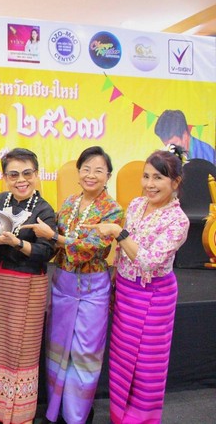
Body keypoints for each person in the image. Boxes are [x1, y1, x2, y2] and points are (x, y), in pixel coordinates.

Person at [83, 146, 189, 424]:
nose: (149, 184)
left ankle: (142, 419)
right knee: (121, 358)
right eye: (146, 176)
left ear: (175, 182)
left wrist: (118, 232)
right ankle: (119, 415)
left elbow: (148, 261)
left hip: (154, 296)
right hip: (126, 292)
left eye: (158, 178)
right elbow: (121, 253)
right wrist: (114, 280)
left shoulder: (178, 221)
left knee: (147, 364)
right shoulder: (136, 204)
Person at [24, 146, 124, 424]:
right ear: (78, 172)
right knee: (57, 352)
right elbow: (54, 245)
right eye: (86, 169)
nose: (91, 175)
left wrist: (54, 238)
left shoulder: (113, 210)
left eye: (98, 170)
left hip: (93, 290)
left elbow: (90, 248)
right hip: (62, 285)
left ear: (108, 176)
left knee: (84, 355)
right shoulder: (68, 203)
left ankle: (77, 415)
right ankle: (56, 412)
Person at [0, 148, 56, 424]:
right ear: (5, 177)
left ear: (37, 174)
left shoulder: (44, 210)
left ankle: (19, 414)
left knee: (22, 349)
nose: (21, 180)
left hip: (27, 286)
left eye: (27, 173)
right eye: (13, 174)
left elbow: (46, 252)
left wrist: (16, 242)